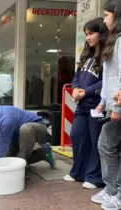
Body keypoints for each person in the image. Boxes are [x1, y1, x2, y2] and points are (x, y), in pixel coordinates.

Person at [63, 17, 107, 189]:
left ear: (101, 33)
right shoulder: (86, 55)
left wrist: (85, 91)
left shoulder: (107, 55)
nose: (88, 38)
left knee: (96, 141)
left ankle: (94, 177)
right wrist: (75, 89)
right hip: (82, 105)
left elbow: (106, 82)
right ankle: (77, 172)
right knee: (77, 136)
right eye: (86, 34)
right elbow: (76, 76)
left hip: (97, 106)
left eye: (91, 33)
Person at [91, 1, 121, 209]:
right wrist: (103, 102)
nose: (104, 19)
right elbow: (110, 78)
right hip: (112, 104)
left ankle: (116, 192)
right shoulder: (114, 40)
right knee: (108, 146)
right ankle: (112, 190)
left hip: (119, 106)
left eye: (107, 15)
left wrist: (117, 108)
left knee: (107, 145)